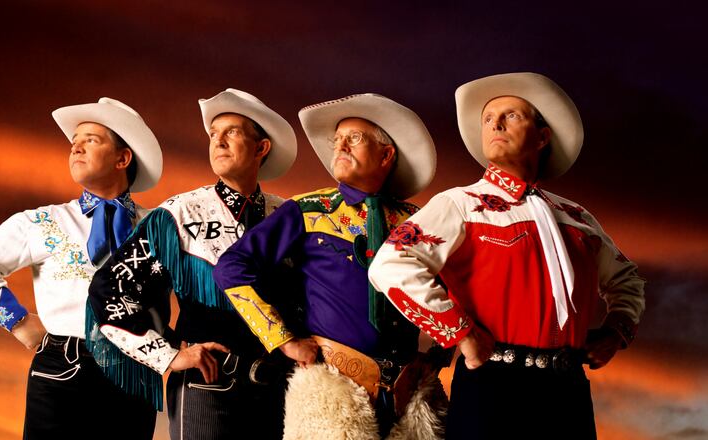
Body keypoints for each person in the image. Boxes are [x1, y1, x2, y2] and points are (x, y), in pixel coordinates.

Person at [368, 72, 646, 439]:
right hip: (493, 386)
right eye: (487, 119)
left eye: (511, 115)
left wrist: (617, 331)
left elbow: (627, 279)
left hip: (569, 390)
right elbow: (390, 265)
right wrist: (459, 332)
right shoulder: (460, 204)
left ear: (543, 136)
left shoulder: (578, 217)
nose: (495, 124)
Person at [214, 93, 449, 439]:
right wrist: (283, 341)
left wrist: (441, 354)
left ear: (386, 155)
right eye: (337, 140)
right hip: (331, 391)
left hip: (410, 397)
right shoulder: (308, 209)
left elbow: (455, 285)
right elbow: (231, 267)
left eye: (354, 138)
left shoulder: (415, 220)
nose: (340, 147)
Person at [86, 88, 297, 439]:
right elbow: (111, 288)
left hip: (281, 388)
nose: (218, 141)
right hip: (207, 384)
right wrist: (168, 355)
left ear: (261, 148)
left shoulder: (289, 215)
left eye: (231, 132)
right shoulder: (178, 213)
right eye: (213, 134)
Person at [0, 97, 164, 438]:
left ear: (123, 158)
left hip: (135, 371)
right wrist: (18, 322)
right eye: (74, 142)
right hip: (64, 368)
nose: (76, 147)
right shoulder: (44, 222)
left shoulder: (161, 226)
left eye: (91, 140)